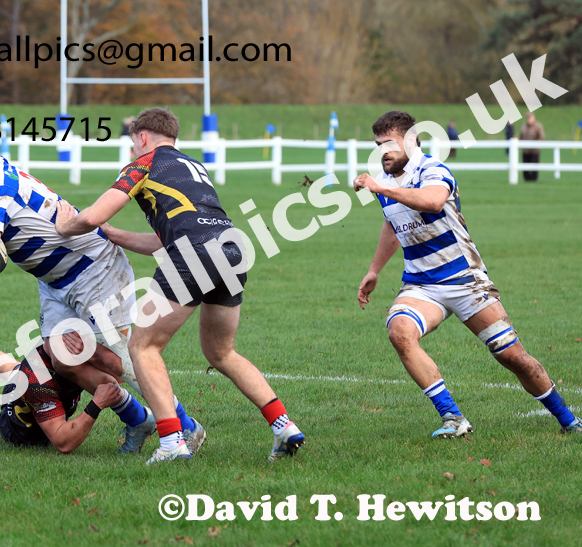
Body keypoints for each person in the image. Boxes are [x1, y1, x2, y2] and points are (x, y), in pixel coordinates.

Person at [53, 107, 305, 464]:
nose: (131, 151)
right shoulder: (194, 167)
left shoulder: (142, 164)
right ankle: (283, 426)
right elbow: (162, 241)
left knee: (143, 347)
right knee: (222, 353)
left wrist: (65, 226)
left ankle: (172, 442)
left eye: (132, 143)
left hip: (194, 253)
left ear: (142, 137)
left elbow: (93, 215)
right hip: (231, 249)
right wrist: (113, 235)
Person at [0, 143, 203, 455]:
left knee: (121, 359)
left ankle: (185, 428)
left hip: (93, 270)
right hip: (55, 281)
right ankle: (138, 419)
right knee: (61, 357)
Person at [354, 110, 580, 438]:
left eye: (389, 144)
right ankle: (452, 417)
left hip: (465, 280)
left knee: (512, 356)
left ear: (411, 141)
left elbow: (432, 201)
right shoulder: (386, 183)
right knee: (399, 331)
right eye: (378, 145)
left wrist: (380, 187)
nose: (383, 152)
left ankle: (567, 419)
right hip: (421, 285)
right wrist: (374, 270)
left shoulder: (433, 170)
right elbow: (392, 225)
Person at [0, 321, 152, 453]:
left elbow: (119, 371)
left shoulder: (66, 347)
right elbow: (63, 442)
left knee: (11, 369)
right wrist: (96, 404)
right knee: (16, 374)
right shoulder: (38, 382)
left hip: (31, 376)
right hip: (20, 432)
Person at [519, 112, 545, 181]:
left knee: (534, 167)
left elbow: (542, 137)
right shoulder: (524, 127)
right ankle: (526, 180)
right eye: (528, 118)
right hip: (526, 150)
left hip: (535, 151)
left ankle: (534, 180)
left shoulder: (538, 126)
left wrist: (536, 144)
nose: (529, 120)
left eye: (530, 118)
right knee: (525, 167)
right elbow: (521, 137)